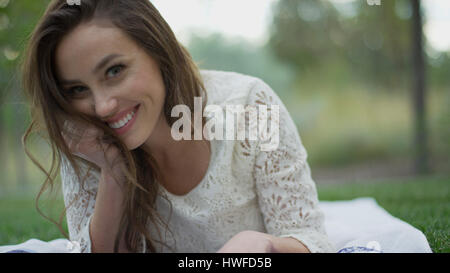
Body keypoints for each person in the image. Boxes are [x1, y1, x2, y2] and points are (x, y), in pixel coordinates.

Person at [21, 0, 335, 253]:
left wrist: (264, 245)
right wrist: (114, 171)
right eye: (77, 90)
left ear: (158, 50)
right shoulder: (87, 138)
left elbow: (310, 239)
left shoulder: (248, 105)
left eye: (114, 70)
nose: (102, 106)